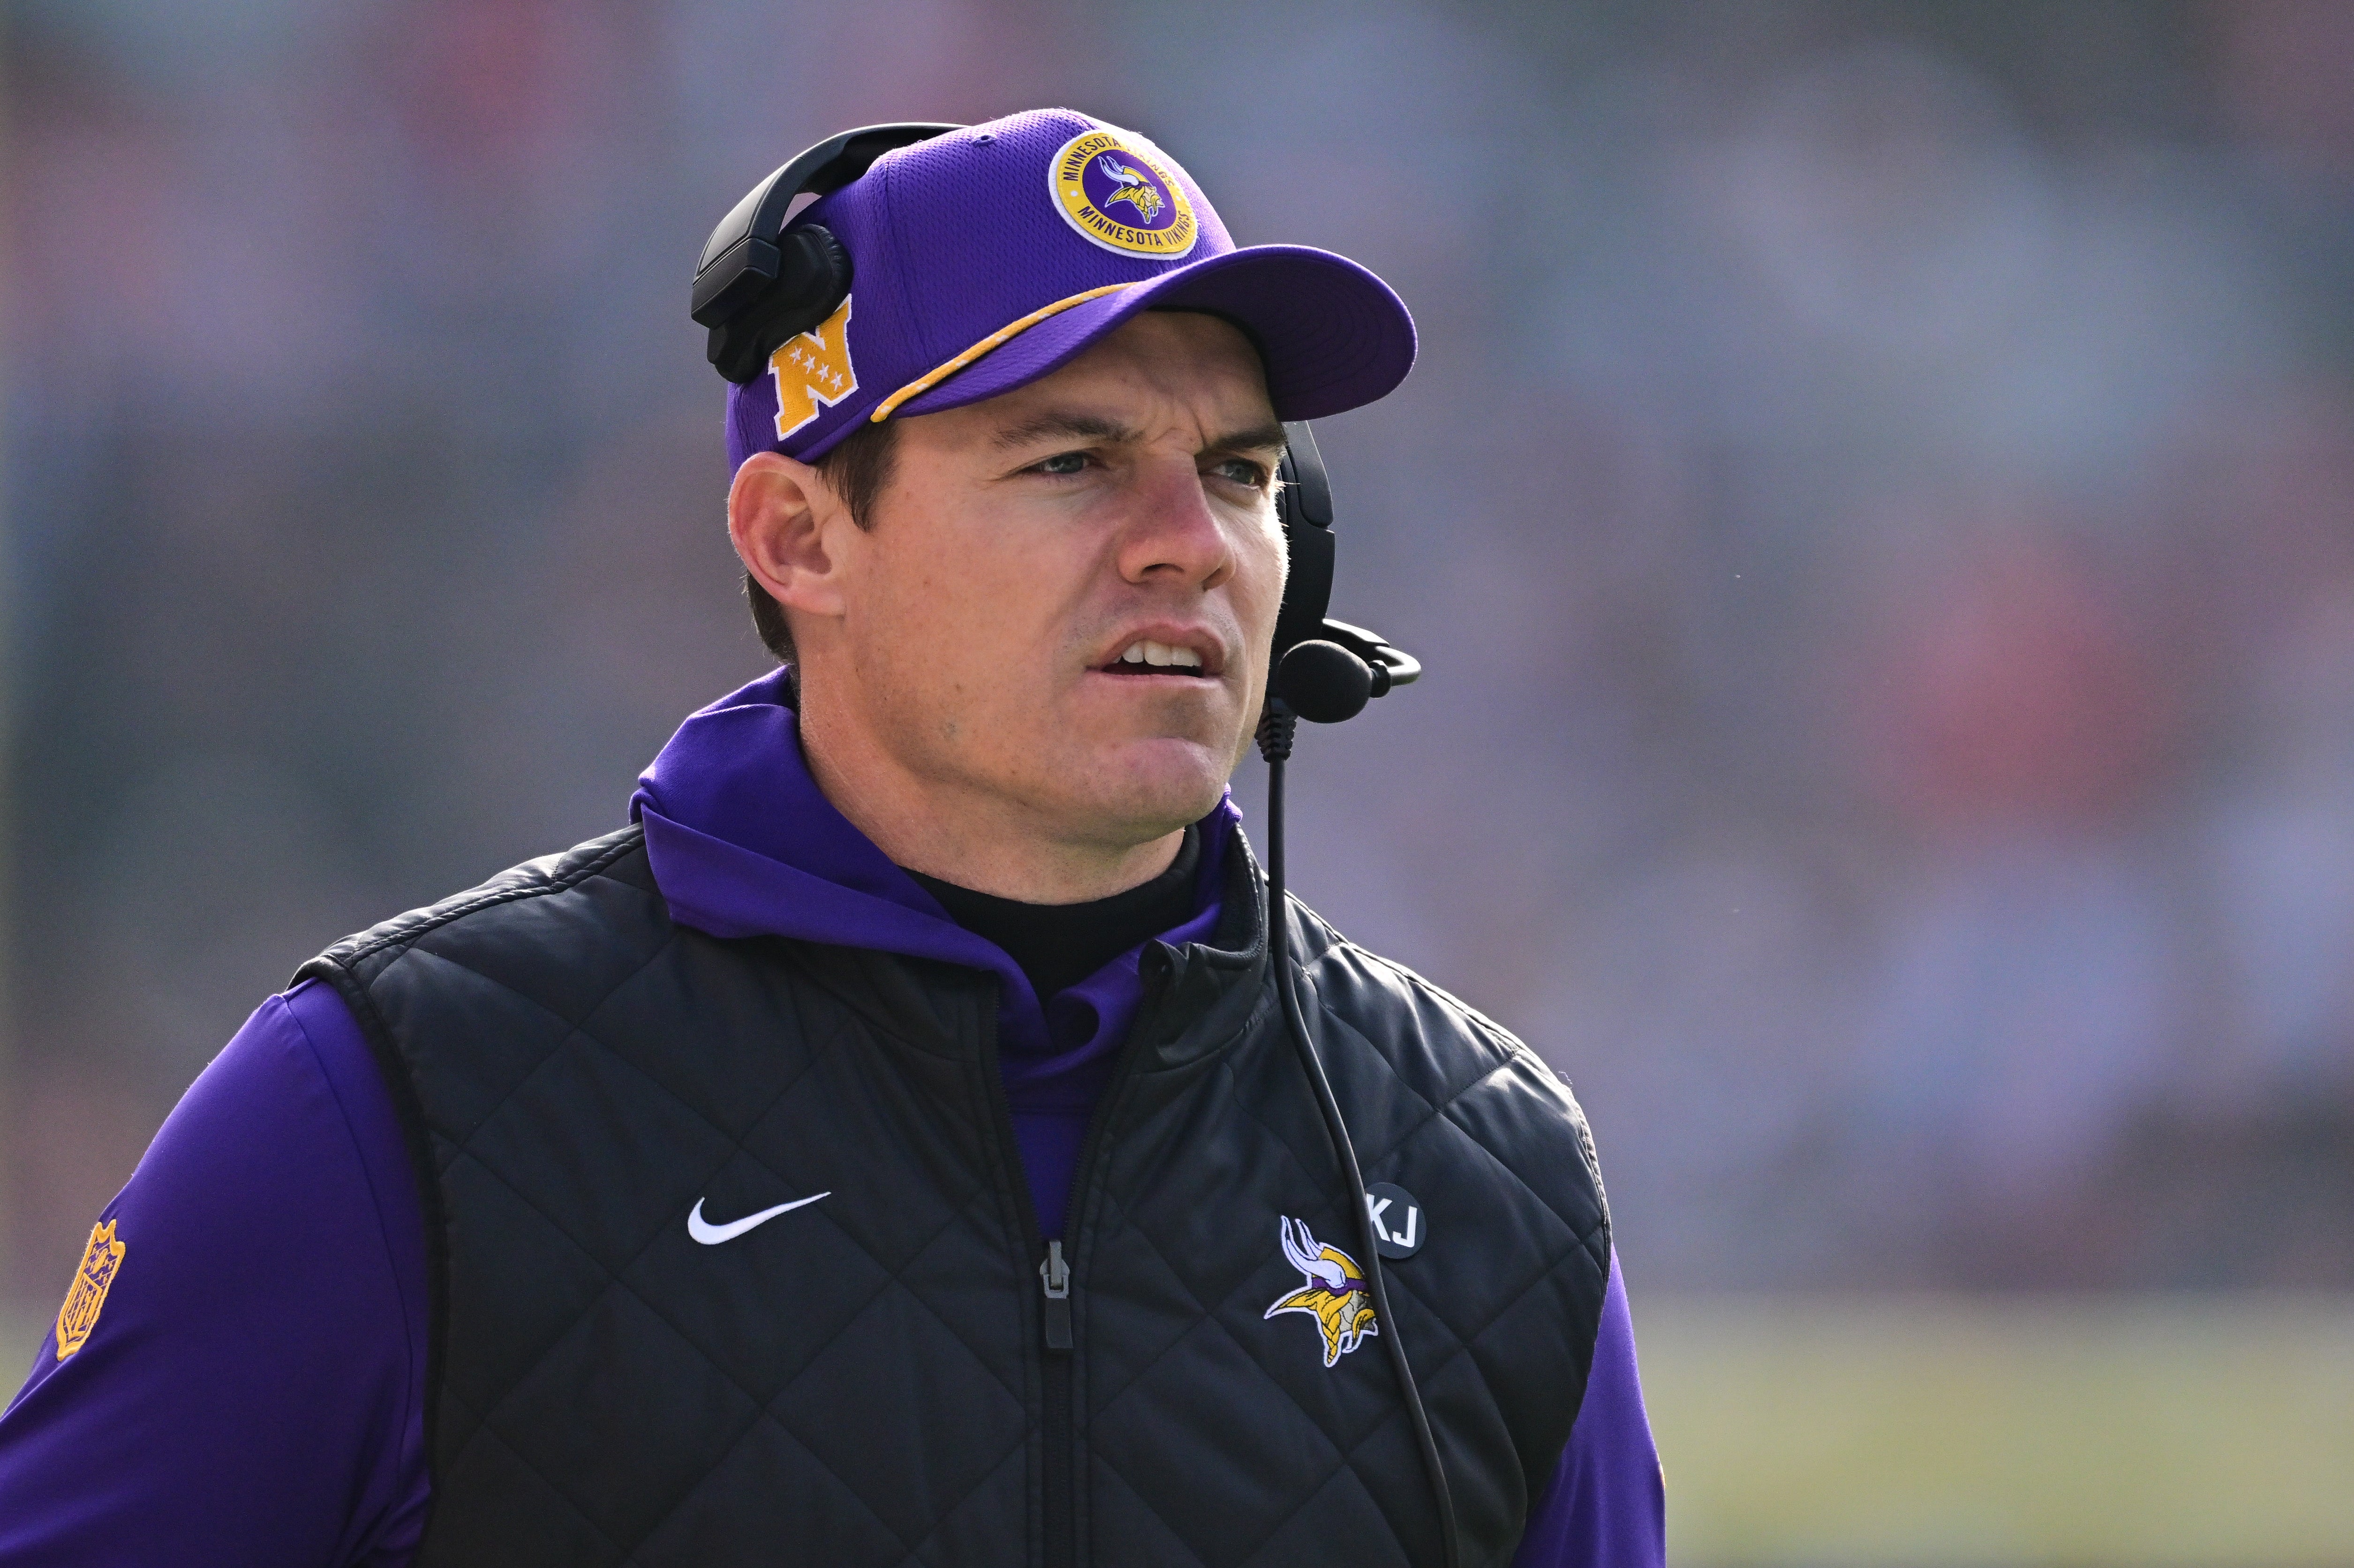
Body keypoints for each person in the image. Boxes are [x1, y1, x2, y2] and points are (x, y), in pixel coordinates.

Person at [0, 108, 1664, 1567]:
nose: (1192, 547)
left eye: (1235, 473)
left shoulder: (1488, 1173)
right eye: (1074, 460)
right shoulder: (390, 1106)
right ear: (800, 534)